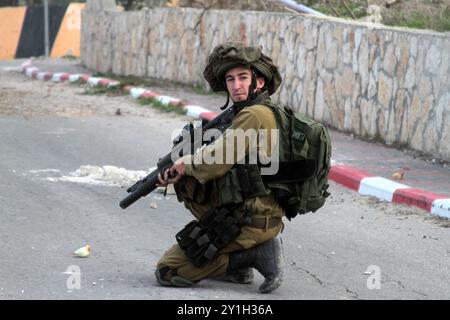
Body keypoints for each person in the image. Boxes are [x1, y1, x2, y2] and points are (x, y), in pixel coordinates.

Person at [154, 41, 285, 293]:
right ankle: (238, 266)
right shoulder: (262, 111)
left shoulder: (254, 115)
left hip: (251, 220)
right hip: (262, 213)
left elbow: (215, 163)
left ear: (258, 81)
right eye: (230, 79)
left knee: (168, 271)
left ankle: (252, 254)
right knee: (188, 178)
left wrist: (184, 164)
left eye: (243, 77)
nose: (236, 86)